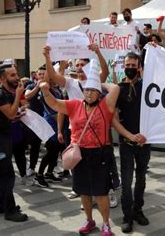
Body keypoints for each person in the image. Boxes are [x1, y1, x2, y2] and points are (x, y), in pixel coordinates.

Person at [39, 72, 120, 235]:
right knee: (84, 190)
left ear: (99, 92)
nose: (89, 93)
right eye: (86, 90)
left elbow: (116, 88)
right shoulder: (75, 104)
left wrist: (100, 82)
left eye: (93, 90)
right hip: (79, 154)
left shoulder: (106, 105)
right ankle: (89, 220)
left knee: (101, 192)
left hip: (99, 153)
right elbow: (54, 104)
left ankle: (106, 224)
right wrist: (45, 91)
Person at [111, 53, 150, 233]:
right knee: (126, 182)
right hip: (126, 143)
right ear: (123, 66)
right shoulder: (118, 89)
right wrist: (130, 136)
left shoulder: (148, 86)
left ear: (139, 66)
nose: (131, 68)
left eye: (134, 65)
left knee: (141, 179)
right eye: (128, 64)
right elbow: (114, 119)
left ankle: (138, 210)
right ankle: (127, 216)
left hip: (145, 142)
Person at [0, 64, 28, 222]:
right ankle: (10, 211)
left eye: (16, 74)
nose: (17, 77)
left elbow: (12, 114)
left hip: (3, 137)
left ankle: (0, 205)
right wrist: (19, 95)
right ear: (3, 78)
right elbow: (11, 113)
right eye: (13, 75)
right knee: (6, 174)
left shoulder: (7, 92)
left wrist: (19, 113)